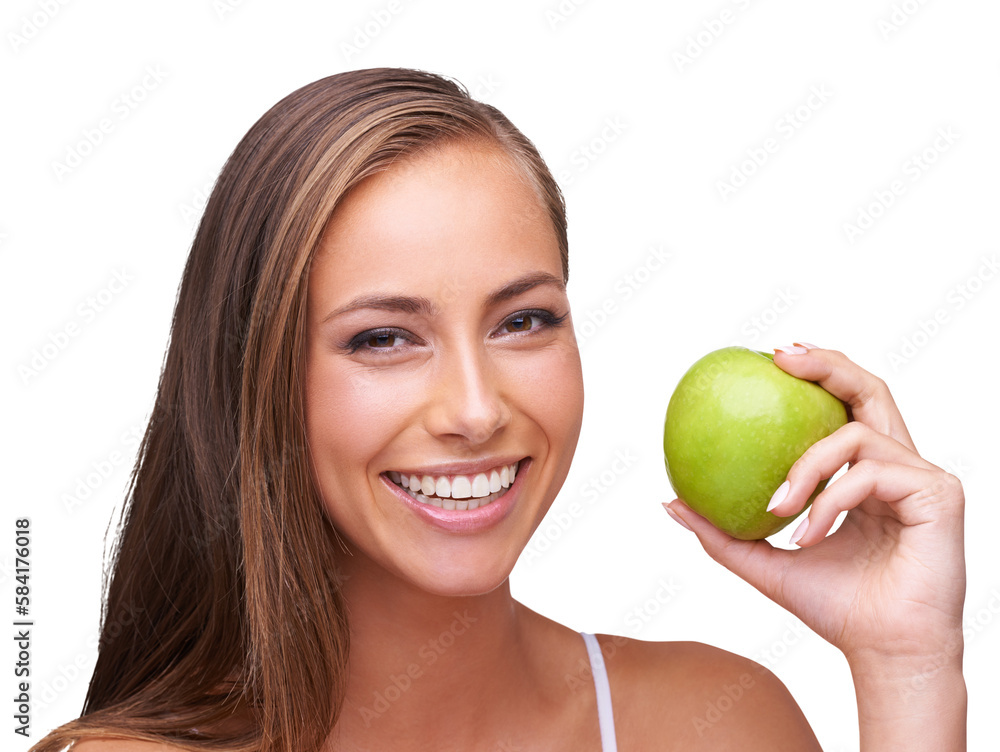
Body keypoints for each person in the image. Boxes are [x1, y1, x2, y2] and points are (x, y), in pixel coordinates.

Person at [33, 68, 966, 752]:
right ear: (257, 379)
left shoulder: (714, 724)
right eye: (384, 338)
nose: (477, 411)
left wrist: (907, 668)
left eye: (523, 321)